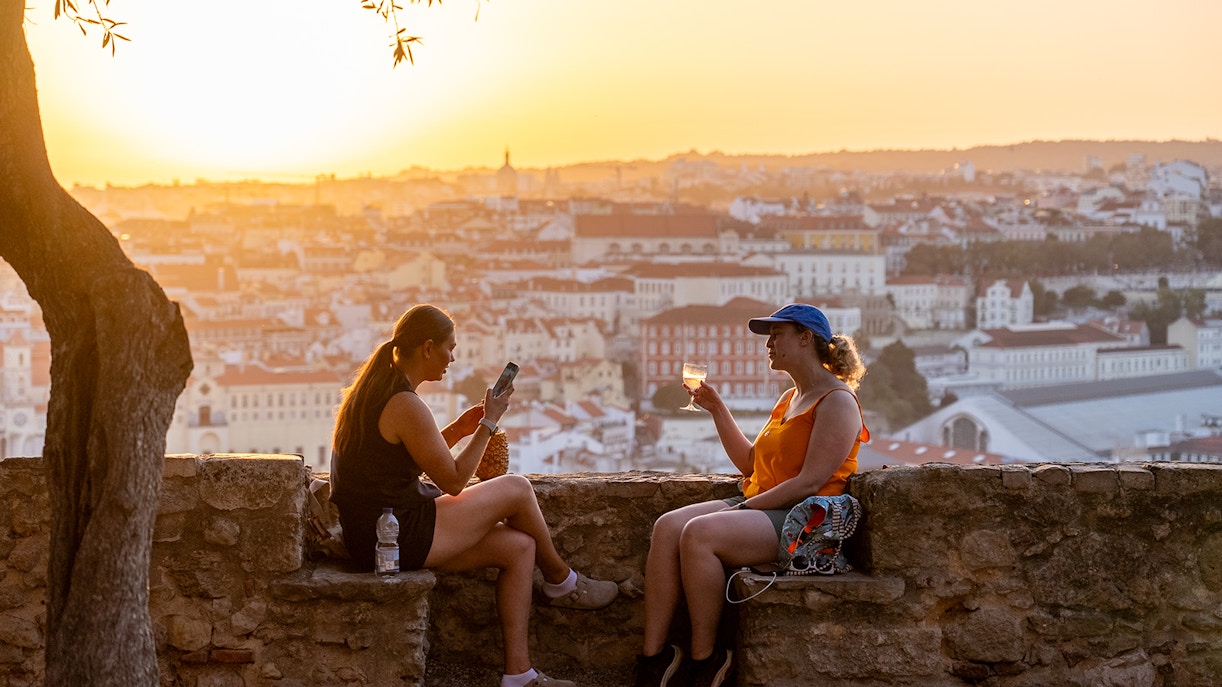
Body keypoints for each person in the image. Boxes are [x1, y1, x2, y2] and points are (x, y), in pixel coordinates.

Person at [330, 304, 618, 687]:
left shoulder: (375, 391)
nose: (454, 357)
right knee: (517, 488)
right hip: (395, 535)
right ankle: (561, 581)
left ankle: (519, 675)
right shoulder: (405, 404)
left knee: (517, 548)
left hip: (378, 535)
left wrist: (458, 430)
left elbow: (401, 462)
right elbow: (452, 481)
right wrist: (488, 422)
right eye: (450, 347)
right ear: (427, 348)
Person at [634, 303, 870, 687]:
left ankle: (706, 660)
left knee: (699, 534)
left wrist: (744, 507)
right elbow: (750, 464)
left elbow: (810, 482)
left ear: (806, 338)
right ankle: (654, 659)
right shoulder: (790, 399)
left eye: (777, 335)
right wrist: (716, 409)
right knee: (667, 527)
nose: (769, 344)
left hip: (801, 519)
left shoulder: (837, 401)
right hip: (763, 501)